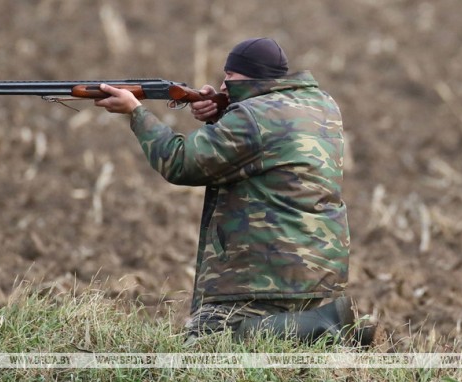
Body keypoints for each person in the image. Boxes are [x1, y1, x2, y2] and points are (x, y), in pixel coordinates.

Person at [94, 37, 354, 345]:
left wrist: (136, 113)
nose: (223, 84)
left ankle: (324, 325)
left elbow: (180, 162)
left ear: (250, 76)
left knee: (206, 343)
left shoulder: (251, 117)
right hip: (318, 272)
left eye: (229, 77)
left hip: (266, 277)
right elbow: (267, 147)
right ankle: (316, 322)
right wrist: (221, 116)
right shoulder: (321, 105)